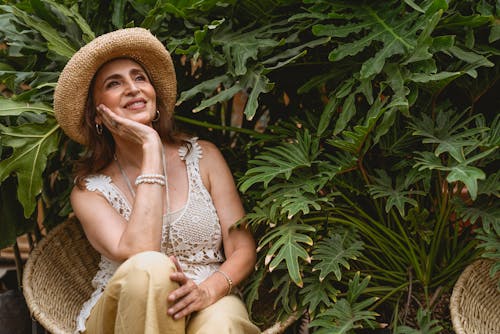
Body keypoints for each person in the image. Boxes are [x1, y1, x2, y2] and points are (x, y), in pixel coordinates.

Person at [53, 27, 260, 334]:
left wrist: (208, 290)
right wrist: (151, 147)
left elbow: (242, 248)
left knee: (223, 323)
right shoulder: (90, 190)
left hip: (207, 293)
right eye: (114, 83)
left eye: (140, 78)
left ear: (154, 95)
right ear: (97, 115)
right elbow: (141, 252)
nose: (133, 88)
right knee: (152, 267)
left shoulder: (205, 157)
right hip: (126, 313)